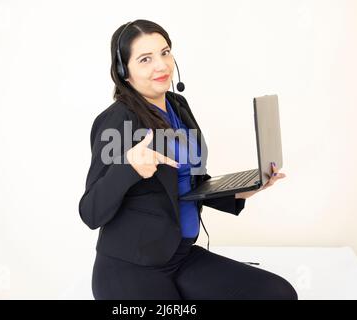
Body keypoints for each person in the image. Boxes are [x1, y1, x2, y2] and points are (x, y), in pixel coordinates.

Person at [78, 19, 298, 300]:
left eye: (165, 52)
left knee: (278, 294)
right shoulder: (116, 121)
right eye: (145, 59)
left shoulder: (178, 106)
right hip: (132, 268)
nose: (161, 65)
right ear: (124, 71)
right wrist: (128, 168)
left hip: (180, 256)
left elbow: (188, 183)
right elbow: (90, 212)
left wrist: (242, 190)